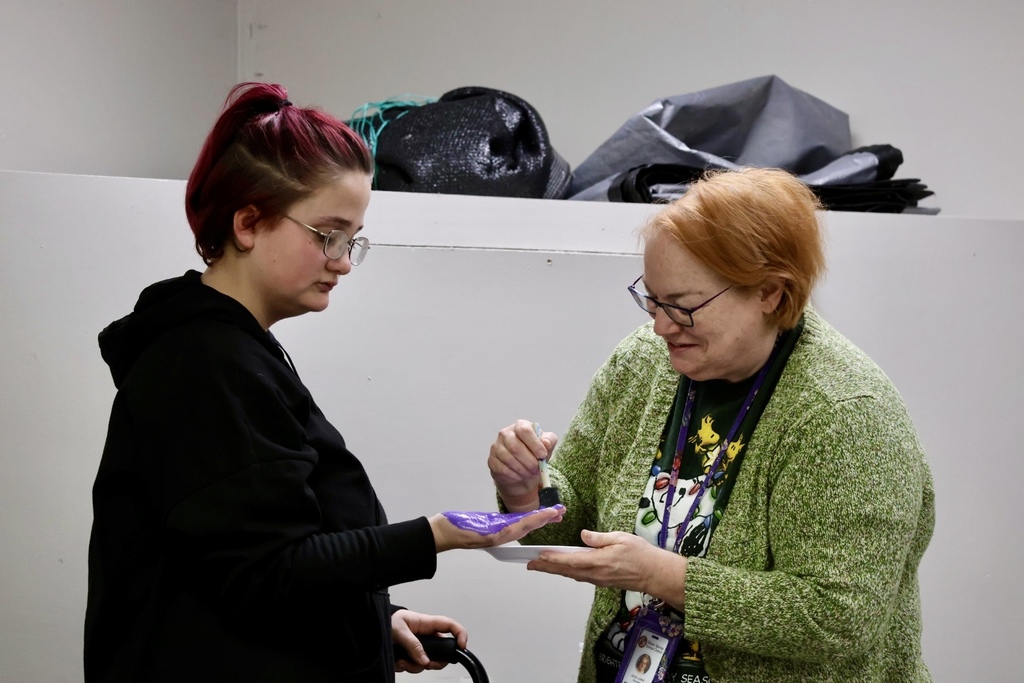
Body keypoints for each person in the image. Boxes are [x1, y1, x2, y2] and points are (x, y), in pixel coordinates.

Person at [83, 82, 562, 683]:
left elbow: (250, 552)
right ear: (248, 222)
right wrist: (440, 534)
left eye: (352, 240)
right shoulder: (204, 364)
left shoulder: (237, 350)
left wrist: (375, 618)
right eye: (327, 234)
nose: (341, 260)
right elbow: (270, 572)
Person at [487, 167, 934, 683]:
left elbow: (840, 618)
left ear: (770, 292)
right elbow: (576, 519)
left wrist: (661, 575)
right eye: (651, 298)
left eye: (683, 306)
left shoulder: (845, 413)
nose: (659, 325)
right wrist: (526, 490)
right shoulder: (643, 363)